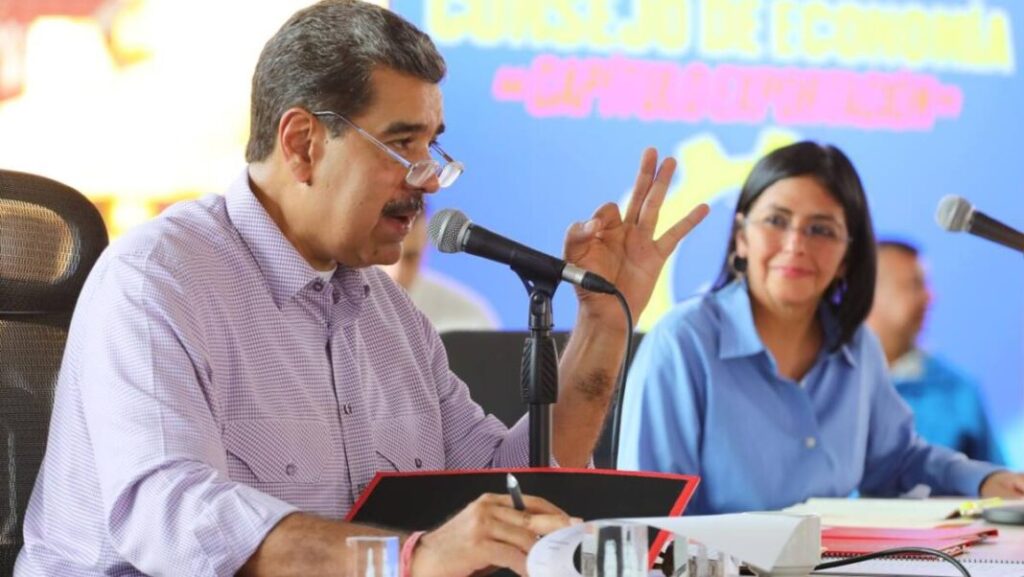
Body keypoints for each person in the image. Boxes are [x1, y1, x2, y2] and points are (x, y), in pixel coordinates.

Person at [14, 1, 709, 576]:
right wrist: (407, 558)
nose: (427, 178)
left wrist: (602, 327)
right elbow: (170, 513)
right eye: (402, 145)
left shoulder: (393, 321)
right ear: (303, 144)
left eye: (434, 147)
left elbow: (510, 481)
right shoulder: (158, 283)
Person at [616, 141, 1024, 515]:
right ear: (741, 239)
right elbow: (649, 514)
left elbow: (898, 462)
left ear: (848, 256)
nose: (796, 244)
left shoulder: (857, 344)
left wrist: (985, 481)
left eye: (821, 230)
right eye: (776, 220)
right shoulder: (682, 341)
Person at [866, 239, 1005, 464]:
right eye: (914, 285)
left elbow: (998, 483)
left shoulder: (958, 391)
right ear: (868, 292)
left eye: (927, 285)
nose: (930, 297)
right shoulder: (829, 379)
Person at [381, 210, 501, 332]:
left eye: (410, 258)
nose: (395, 274)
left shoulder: (468, 321)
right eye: (384, 255)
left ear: (425, 248)